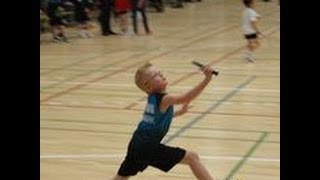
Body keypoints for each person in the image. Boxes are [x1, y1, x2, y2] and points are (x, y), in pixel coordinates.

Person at [112, 62, 214, 180]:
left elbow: (155, 120)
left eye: (160, 73)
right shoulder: (164, 99)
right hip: (147, 146)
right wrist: (207, 79)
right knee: (192, 158)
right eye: (156, 75)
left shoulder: (153, 98)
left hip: (136, 143)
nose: (161, 75)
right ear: (148, 87)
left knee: (121, 177)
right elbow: (186, 97)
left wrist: (180, 112)